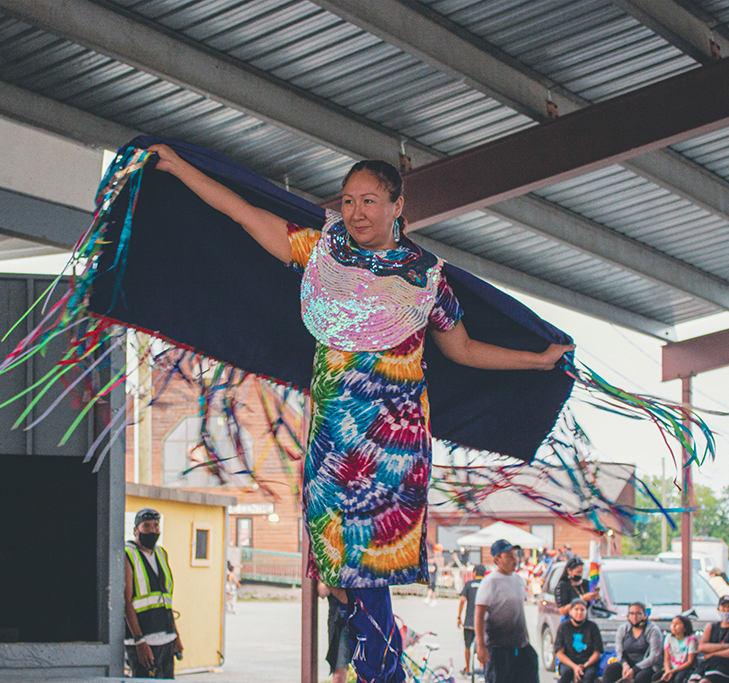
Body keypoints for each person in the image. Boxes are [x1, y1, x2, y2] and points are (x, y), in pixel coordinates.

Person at [145, 145, 574, 683]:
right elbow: (243, 213)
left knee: (367, 571)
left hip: (393, 443)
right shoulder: (323, 252)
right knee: (339, 574)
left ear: (398, 207)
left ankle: (379, 673)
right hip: (332, 438)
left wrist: (535, 361)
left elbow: (462, 350)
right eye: (348, 200)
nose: (356, 212)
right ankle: (381, 668)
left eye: (370, 200)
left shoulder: (426, 279)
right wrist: (179, 168)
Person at [124, 508, 183, 679]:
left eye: (156, 525)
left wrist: (176, 636)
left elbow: (166, 601)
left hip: (166, 638)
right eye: (146, 526)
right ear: (136, 530)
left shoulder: (161, 554)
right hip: (144, 641)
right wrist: (139, 641)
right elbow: (126, 602)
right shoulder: (129, 554)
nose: (152, 530)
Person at [474, 540, 539, 683]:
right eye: (509, 556)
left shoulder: (519, 580)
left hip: (521, 646)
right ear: (497, 559)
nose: (515, 560)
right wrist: (481, 646)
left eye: (516, 556)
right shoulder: (490, 582)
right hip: (497, 648)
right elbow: (479, 615)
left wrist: (526, 638)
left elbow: (520, 613)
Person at [688, 595, 729, 683]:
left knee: (704, 682)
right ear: (718, 608)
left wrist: (713, 654)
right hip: (709, 664)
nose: (726, 610)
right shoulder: (711, 627)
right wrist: (726, 646)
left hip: (728, 665)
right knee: (693, 681)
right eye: (724, 607)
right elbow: (701, 647)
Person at [601, 602, 662, 683]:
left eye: (638, 614)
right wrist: (624, 665)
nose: (634, 617)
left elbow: (654, 657)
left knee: (641, 677)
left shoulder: (653, 630)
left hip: (647, 666)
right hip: (627, 664)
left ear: (645, 615)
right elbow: (619, 651)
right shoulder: (623, 629)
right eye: (631, 613)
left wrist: (635, 669)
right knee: (610, 669)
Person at [554, 599, 602, 683]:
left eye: (582, 609)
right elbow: (560, 653)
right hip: (569, 662)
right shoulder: (564, 627)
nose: (579, 612)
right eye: (576, 609)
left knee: (589, 675)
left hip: (588, 663)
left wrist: (584, 666)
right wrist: (574, 667)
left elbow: (597, 652)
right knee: (566, 673)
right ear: (570, 611)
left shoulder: (592, 627)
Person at [319, 581, 354, 683]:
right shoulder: (328, 567)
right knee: (339, 669)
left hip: (362, 616)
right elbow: (322, 591)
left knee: (372, 666)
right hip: (340, 621)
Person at [458, 564, 486, 677]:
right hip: (482, 623)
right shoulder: (486, 585)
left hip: (469, 621)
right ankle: (482, 671)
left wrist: (459, 617)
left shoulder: (468, 584)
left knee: (467, 646)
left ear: (474, 573)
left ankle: (468, 670)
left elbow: (462, 600)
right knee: (481, 645)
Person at [660, 615, 698, 683]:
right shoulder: (669, 638)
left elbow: (689, 661)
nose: (673, 626)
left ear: (685, 628)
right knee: (657, 677)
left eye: (677, 624)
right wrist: (668, 671)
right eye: (672, 623)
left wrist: (673, 671)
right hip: (671, 668)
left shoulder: (691, 639)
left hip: (685, 668)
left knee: (678, 679)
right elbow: (667, 659)